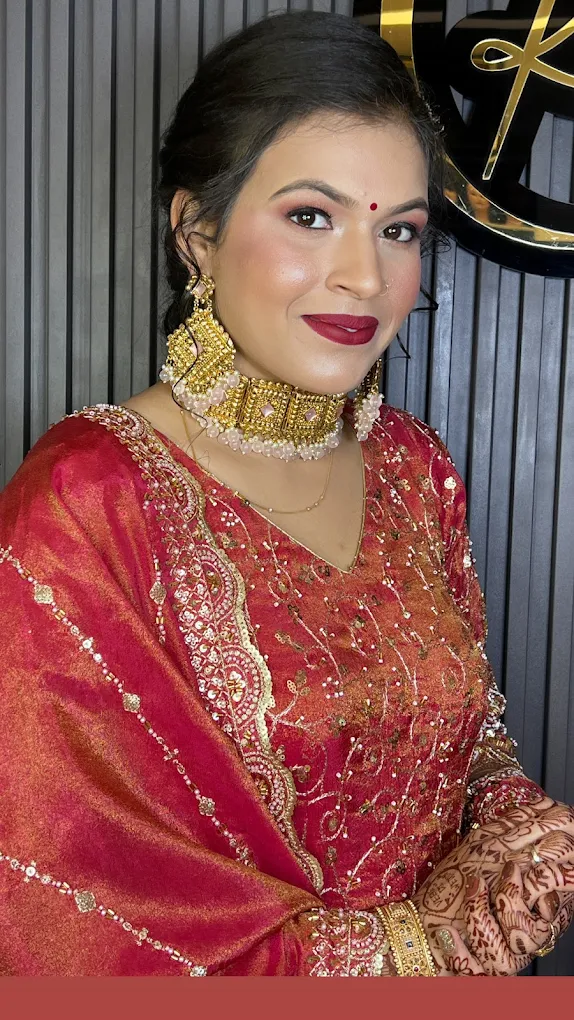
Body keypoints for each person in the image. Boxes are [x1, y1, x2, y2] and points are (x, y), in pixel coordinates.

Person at [0, 11, 573, 977]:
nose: (366, 276)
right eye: (312, 217)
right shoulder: (89, 498)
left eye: (399, 230)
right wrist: (428, 945)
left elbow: (469, 731)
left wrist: (524, 838)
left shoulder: (412, 467)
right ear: (197, 231)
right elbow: (65, 895)